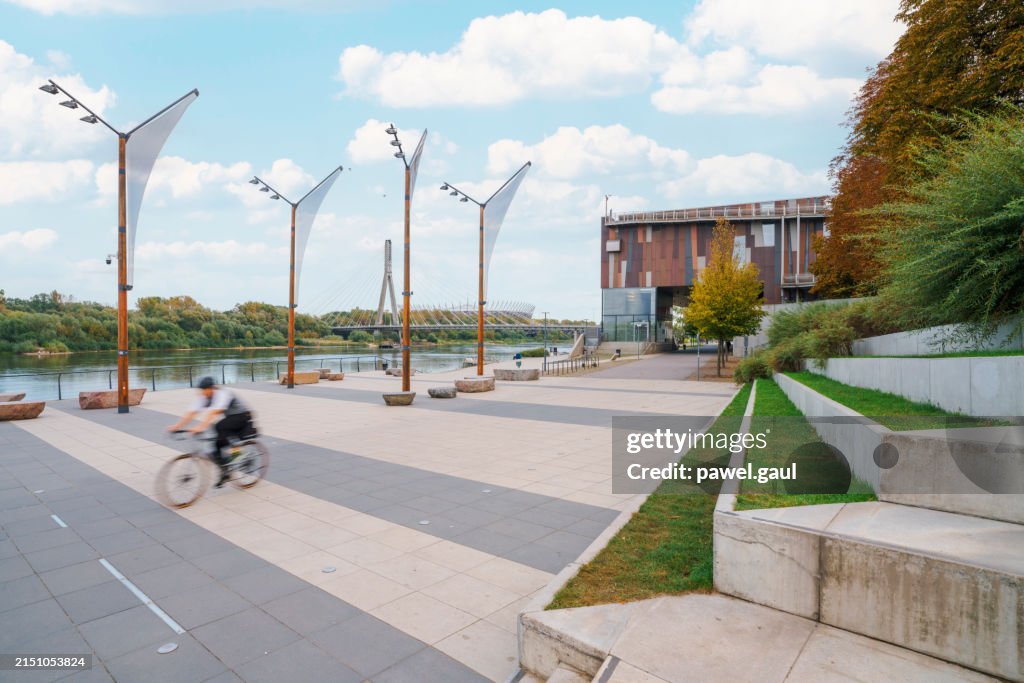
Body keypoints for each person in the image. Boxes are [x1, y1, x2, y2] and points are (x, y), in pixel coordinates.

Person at [167, 377, 256, 488]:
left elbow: (214, 412)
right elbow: (191, 412)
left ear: (211, 388)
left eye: (204, 390)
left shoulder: (222, 394)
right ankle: (225, 471)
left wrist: (200, 427)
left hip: (243, 416)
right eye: (201, 390)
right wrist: (177, 426)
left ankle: (238, 455)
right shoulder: (204, 397)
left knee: (220, 427)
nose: (202, 392)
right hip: (231, 417)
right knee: (216, 446)